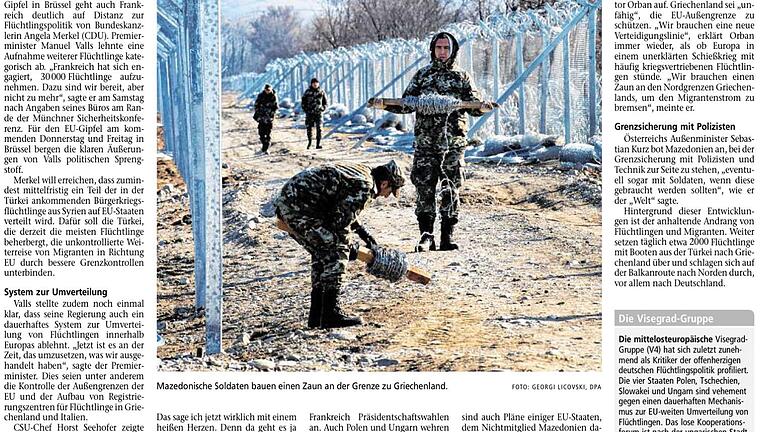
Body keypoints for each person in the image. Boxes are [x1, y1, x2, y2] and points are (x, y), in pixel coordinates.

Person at [274, 160, 406, 329]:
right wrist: (351, 247)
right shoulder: (365, 187)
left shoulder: (362, 172)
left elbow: (341, 206)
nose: (386, 195)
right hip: (301, 209)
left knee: (322, 252)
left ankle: (317, 316)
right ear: (384, 183)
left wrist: (362, 232)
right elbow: (338, 223)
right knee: (337, 250)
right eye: (390, 191)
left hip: (292, 204)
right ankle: (330, 315)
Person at [300, 78, 328, 150]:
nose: (315, 84)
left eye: (316, 83)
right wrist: (306, 109)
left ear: (318, 84)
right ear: (311, 84)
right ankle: (309, 142)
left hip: (318, 113)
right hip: (310, 113)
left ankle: (318, 144)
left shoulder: (321, 92)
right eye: (313, 83)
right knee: (309, 128)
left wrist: (323, 108)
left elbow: (325, 102)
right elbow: (303, 102)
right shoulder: (307, 92)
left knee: (319, 128)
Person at [253, 84, 278, 154]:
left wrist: (272, 114)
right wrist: (258, 113)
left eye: (269, 90)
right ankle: (265, 144)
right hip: (261, 117)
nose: (267, 91)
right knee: (261, 133)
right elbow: (256, 105)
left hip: (269, 118)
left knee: (268, 133)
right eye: (266, 90)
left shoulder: (273, 96)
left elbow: (275, 107)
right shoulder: (260, 96)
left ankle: (266, 147)